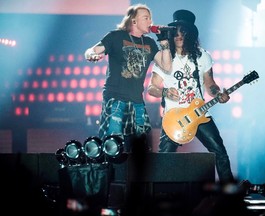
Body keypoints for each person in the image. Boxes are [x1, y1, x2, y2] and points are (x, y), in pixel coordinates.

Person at [147, 9, 234, 183]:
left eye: (183, 32)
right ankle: (159, 198)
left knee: (220, 151)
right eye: (176, 31)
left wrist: (219, 94)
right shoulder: (165, 58)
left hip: (200, 114)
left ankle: (230, 193)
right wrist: (164, 92)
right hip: (174, 116)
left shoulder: (203, 56)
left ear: (191, 34)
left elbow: (210, 85)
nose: (179, 35)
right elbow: (151, 88)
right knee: (165, 158)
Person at [84, 4, 172, 152]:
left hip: (137, 100)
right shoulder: (116, 36)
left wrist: (164, 43)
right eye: (146, 18)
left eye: (150, 17)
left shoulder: (149, 43)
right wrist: (91, 55)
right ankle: (111, 173)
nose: (150, 21)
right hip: (116, 98)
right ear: (133, 21)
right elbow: (91, 50)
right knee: (113, 143)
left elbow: (167, 67)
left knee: (141, 144)